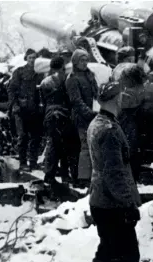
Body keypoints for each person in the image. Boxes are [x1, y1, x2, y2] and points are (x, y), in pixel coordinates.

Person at [87, 82, 150, 262]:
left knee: (106, 249)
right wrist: (127, 204)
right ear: (117, 99)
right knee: (123, 252)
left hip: (100, 198)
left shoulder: (97, 123)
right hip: (113, 202)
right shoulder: (110, 130)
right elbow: (115, 172)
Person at [40, 56, 78, 184]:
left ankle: (50, 175)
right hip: (63, 114)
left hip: (50, 115)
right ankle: (63, 175)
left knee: (53, 145)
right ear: (62, 67)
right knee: (65, 145)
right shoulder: (65, 80)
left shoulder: (45, 82)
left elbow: (42, 101)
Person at [66, 49, 98, 187]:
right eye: (82, 60)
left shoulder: (90, 75)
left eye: (86, 60)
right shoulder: (72, 78)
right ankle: (84, 179)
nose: (85, 63)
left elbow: (96, 94)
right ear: (75, 62)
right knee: (85, 147)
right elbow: (76, 101)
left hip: (92, 114)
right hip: (80, 118)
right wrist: (90, 113)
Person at [8, 48, 44, 171]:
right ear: (26, 59)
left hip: (35, 109)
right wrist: (15, 105)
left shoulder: (40, 73)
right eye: (30, 58)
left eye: (35, 57)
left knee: (36, 136)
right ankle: (23, 163)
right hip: (22, 109)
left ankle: (33, 162)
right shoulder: (19, 72)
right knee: (23, 137)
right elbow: (12, 89)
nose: (33, 60)